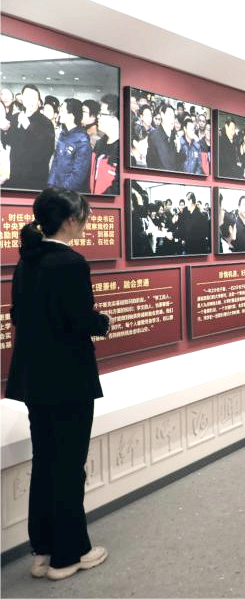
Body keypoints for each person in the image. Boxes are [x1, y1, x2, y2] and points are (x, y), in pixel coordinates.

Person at [5, 188, 111, 581]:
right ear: (69, 220)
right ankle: (69, 555)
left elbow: (19, 316)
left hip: (36, 380)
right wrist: (103, 322)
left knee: (46, 463)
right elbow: (80, 320)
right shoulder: (70, 262)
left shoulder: (28, 260)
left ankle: (44, 550)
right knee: (69, 467)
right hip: (68, 379)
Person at [4, 85, 55, 191]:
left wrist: (28, 126)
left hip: (35, 178)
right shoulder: (14, 118)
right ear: (22, 98)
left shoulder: (46, 122)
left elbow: (47, 148)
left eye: (34, 98)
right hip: (14, 175)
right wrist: (3, 130)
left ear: (39, 101)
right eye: (27, 97)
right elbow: (7, 143)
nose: (30, 101)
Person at [47, 99, 91, 192]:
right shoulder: (63, 134)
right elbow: (55, 163)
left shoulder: (82, 139)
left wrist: (63, 191)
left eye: (62, 111)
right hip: (56, 188)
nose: (59, 114)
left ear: (72, 115)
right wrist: (50, 185)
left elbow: (78, 175)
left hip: (68, 192)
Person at [147, 102, 181, 171]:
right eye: (170, 115)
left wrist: (179, 150)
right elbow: (151, 163)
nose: (172, 119)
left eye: (173, 116)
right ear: (162, 115)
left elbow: (179, 163)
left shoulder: (175, 136)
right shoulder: (154, 136)